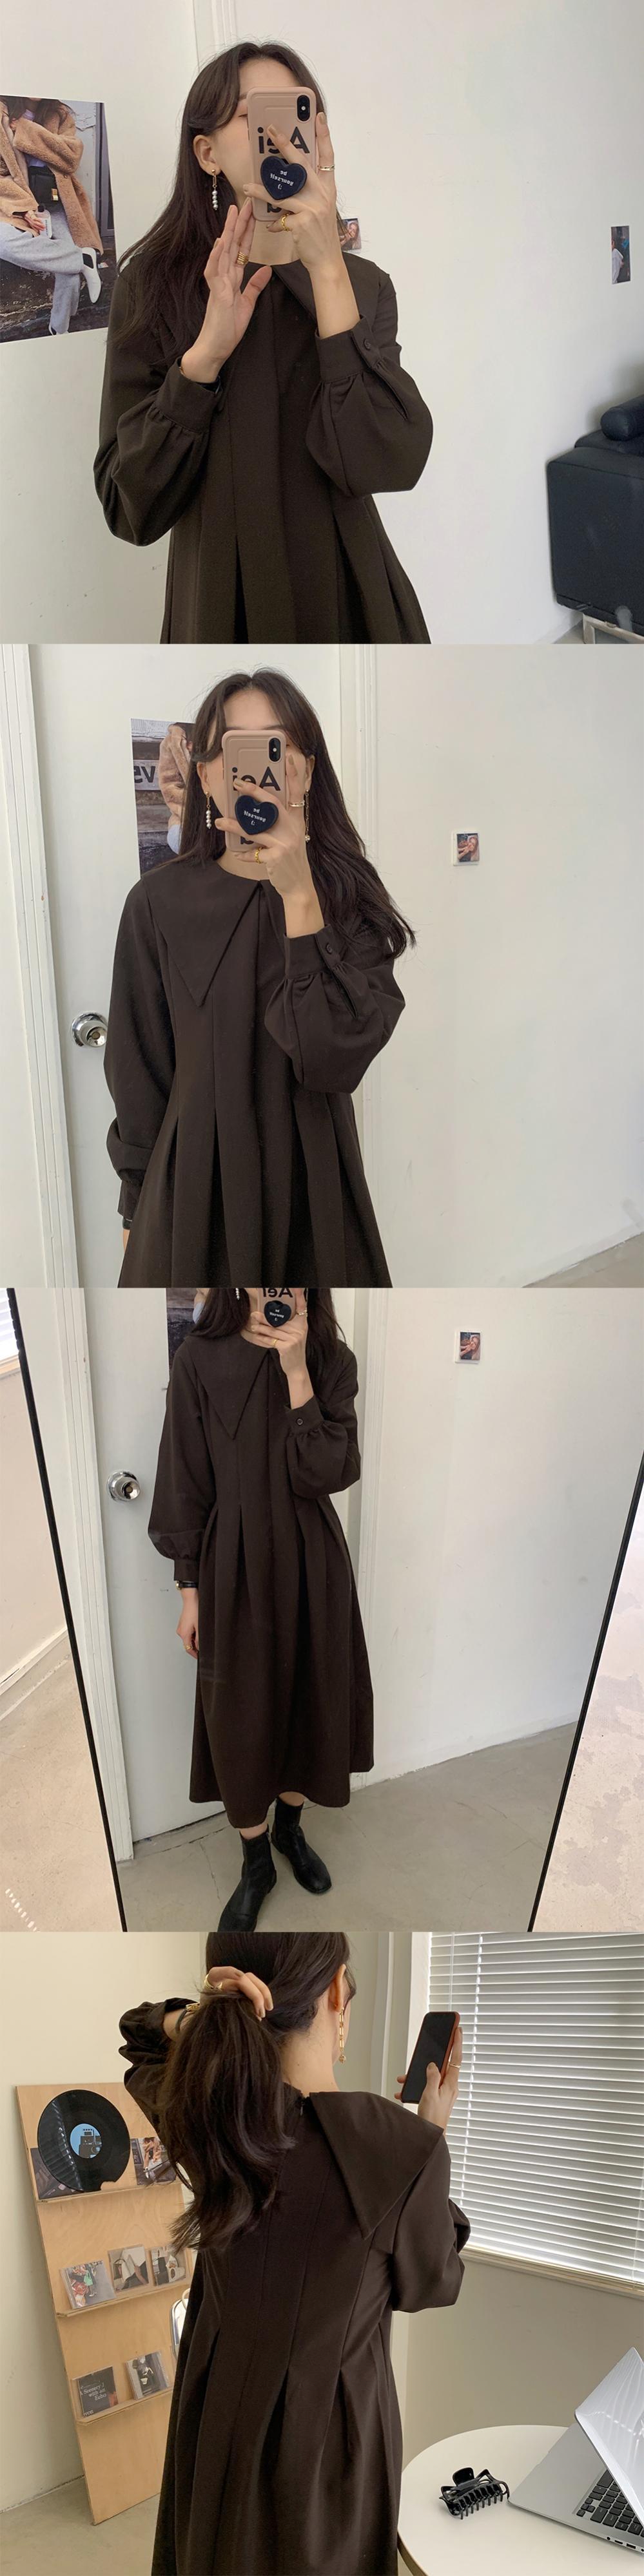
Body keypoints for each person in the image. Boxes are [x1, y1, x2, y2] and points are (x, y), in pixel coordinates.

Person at [119, 1932, 469, 2576]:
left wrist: (197, 2018)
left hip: (215, 2417)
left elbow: (138, 2035)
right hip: (325, 2449)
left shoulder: (210, 2116)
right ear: (336, 1990)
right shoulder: (399, 2146)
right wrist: (428, 2138)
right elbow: (433, 2283)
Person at [95, 41, 432, 642]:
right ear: (207, 153)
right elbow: (129, 506)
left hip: (349, 591)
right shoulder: (151, 288)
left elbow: (386, 462)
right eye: (255, 116)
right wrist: (204, 359)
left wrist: (327, 272)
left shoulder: (363, 285)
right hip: (221, 599)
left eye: (295, 114)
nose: (278, 138)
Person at [104, 667, 413, 1287]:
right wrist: (136, 1204)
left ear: (306, 770)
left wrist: (300, 897)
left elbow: (332, 1062)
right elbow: (140, 1069)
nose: (252, 773)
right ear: (205, 775)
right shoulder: (157, 902)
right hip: (196, 1180)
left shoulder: (349, 896)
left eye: (275, 747)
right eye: (231, 750)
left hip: (314, 1177)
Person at [148, 1289, 373, 1929]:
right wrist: (189, 1590)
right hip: (233, 1565)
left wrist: (296, 1371)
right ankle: (255, 1863)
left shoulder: (331, 1360)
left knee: (310, 1702)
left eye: (291, 1274)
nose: (275, 1287)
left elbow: (328, 1472)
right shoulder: (199, 1358)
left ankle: (290, 1831)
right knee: (239, 1717)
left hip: (313, 1563)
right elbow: (183, 1478)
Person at [0, 97, 102, 335]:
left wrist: (25, 130)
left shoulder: (59, 113)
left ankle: (59, 328)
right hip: (17, 202)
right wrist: (24, 207)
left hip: (56, 202)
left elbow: (71, 158)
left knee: (67, 270)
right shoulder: (3, 113)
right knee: (4, 242)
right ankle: (83, 259)